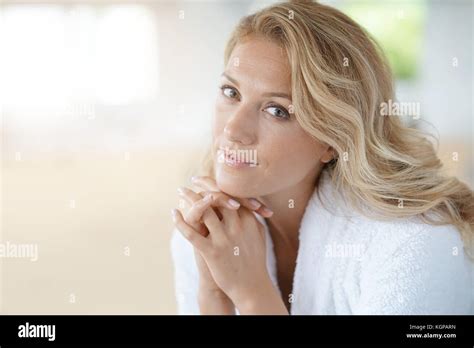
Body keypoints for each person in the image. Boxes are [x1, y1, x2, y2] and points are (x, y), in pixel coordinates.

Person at [170, 0, 473, 315]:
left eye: (277, 110)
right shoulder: (210, 228)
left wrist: (251, 294)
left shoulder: (414, 244)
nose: (232, 130)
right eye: (231, 93)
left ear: (333, 138)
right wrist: (214, 292)